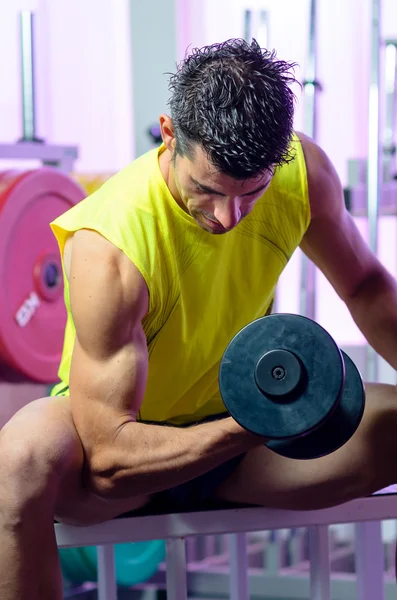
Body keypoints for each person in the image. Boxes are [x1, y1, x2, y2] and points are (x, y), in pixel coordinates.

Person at [1, 37, 397, 599]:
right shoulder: (108, 246)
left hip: (246, 451)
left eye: (251, 192)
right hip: (117, 463)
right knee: (18, 462)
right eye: (206, 190)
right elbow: (110, 456)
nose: (227, 217)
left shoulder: (302, 174)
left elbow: (365, 285)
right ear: (169, 133)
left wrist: (258, 424)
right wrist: (261, 421)